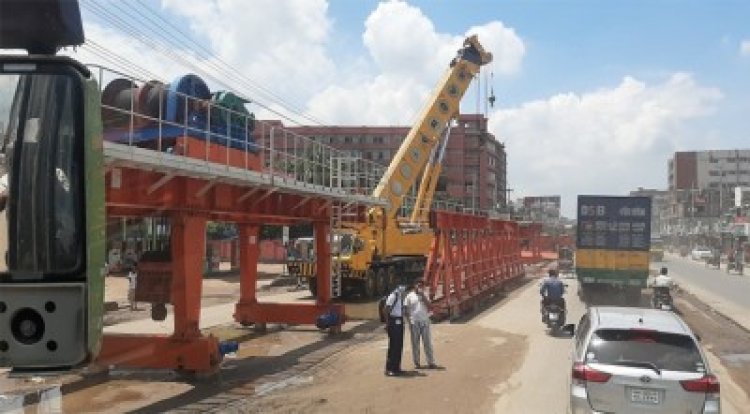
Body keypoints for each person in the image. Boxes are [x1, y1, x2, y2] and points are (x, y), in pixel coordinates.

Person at [404, 279, 437, 369]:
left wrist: (423, 296)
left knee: (427, 342)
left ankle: (431, 362)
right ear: (414, 285)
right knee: (415, 343)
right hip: (414, 322)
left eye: (421, 285)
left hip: (425, 321)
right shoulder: (409, 296)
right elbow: (406, 310)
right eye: (418, 285)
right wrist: (409, 321)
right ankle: (417, 363)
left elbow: (430, 306)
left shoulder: (425, 294)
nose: (419, 286)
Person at [384, 283, 406, 376]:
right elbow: (386, 309)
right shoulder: (393, 296)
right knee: (393, 346)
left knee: (399, 345)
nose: (403, 288)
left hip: (400, 321)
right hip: (393, 322)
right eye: (401, 286)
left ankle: (397, 367)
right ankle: (389, 369)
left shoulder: (401, 296)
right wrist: (387, 323)